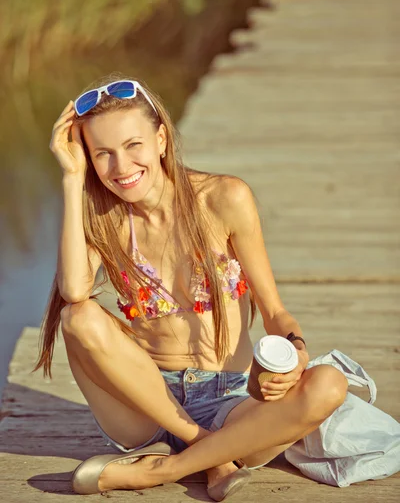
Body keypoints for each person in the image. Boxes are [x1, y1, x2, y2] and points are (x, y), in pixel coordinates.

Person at [34, 73, 348, 499]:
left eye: (133, 146)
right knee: (78, 316)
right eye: (102, 154)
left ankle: (162, 469)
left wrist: (295, 350)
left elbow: (274, 311)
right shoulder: (102, 220)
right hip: (145, 406)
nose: (121, 168)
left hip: (231, 402)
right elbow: (73, 291)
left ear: (161, 138)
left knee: (329, 383)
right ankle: (210, 454)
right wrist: (72, 180)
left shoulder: (222, 199)